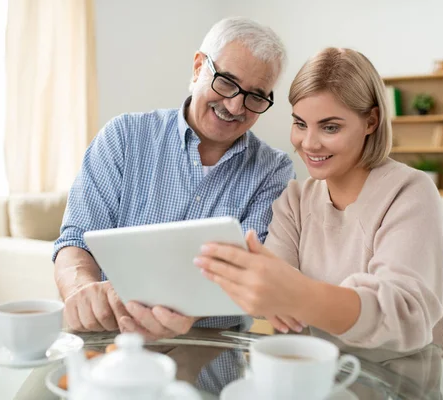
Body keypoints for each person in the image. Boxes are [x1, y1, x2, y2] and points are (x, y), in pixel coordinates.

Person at [195, 47, 443, 356]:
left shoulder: (410, 192)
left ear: (371, 121)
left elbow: (404, 317)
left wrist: (298, 295)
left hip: (423, 373)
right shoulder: (295, 201)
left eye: (330, 127)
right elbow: (275, 310)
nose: (309, 143)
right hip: (336, 372)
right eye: (300, 124)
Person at [53, 17, 294, 340]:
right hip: (112, 341)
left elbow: (253, 274)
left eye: (256, 96)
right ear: (198, 68)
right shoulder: (123, 136)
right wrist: (82, 289)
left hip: (212, 348)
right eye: (225, 81)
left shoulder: (273, 170)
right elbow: (75, 240)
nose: (235, 105)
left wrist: (191, 311)